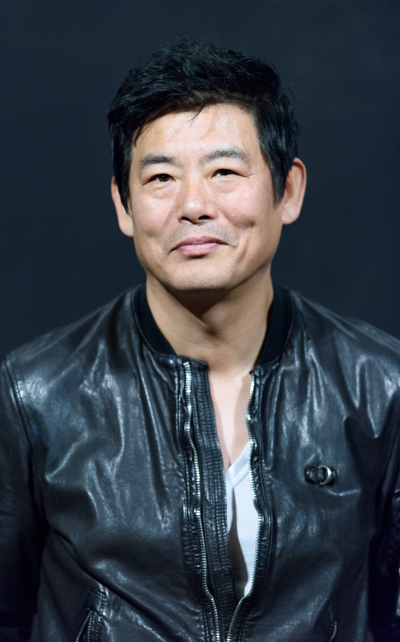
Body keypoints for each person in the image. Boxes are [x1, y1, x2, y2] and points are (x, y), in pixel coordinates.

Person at [1, 39, 399, 642]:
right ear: (124, 204)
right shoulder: (34, 395)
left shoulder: (381, 387)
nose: (193, 205)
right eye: (161, 177)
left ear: (287, 191)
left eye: (224, 172)